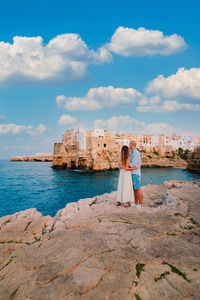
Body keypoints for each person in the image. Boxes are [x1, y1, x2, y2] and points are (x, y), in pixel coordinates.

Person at [129, 141, 143, 207]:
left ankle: (140, 204)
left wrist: (126, 165)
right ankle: (136, 203)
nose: (129, 145)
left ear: (131, 145)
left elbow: (133, 164)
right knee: (135, 189)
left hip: (135, 173)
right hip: (133, 172)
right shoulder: (133, 152)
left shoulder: (135, 153)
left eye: (129, 144)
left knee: (138, 188)